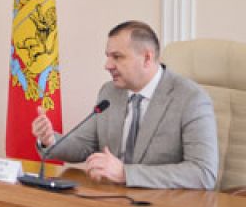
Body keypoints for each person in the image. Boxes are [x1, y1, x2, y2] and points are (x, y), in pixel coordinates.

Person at [31, 20, 218, 189]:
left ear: (147, 58)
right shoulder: (109, 92)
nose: (107, 65)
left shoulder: (191, 99)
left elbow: (203, 172)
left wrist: (125, 174)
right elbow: (84, 145)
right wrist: (51, 140)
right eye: (108, 56)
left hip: (162, 206)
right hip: (112, 199)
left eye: (117, 57)